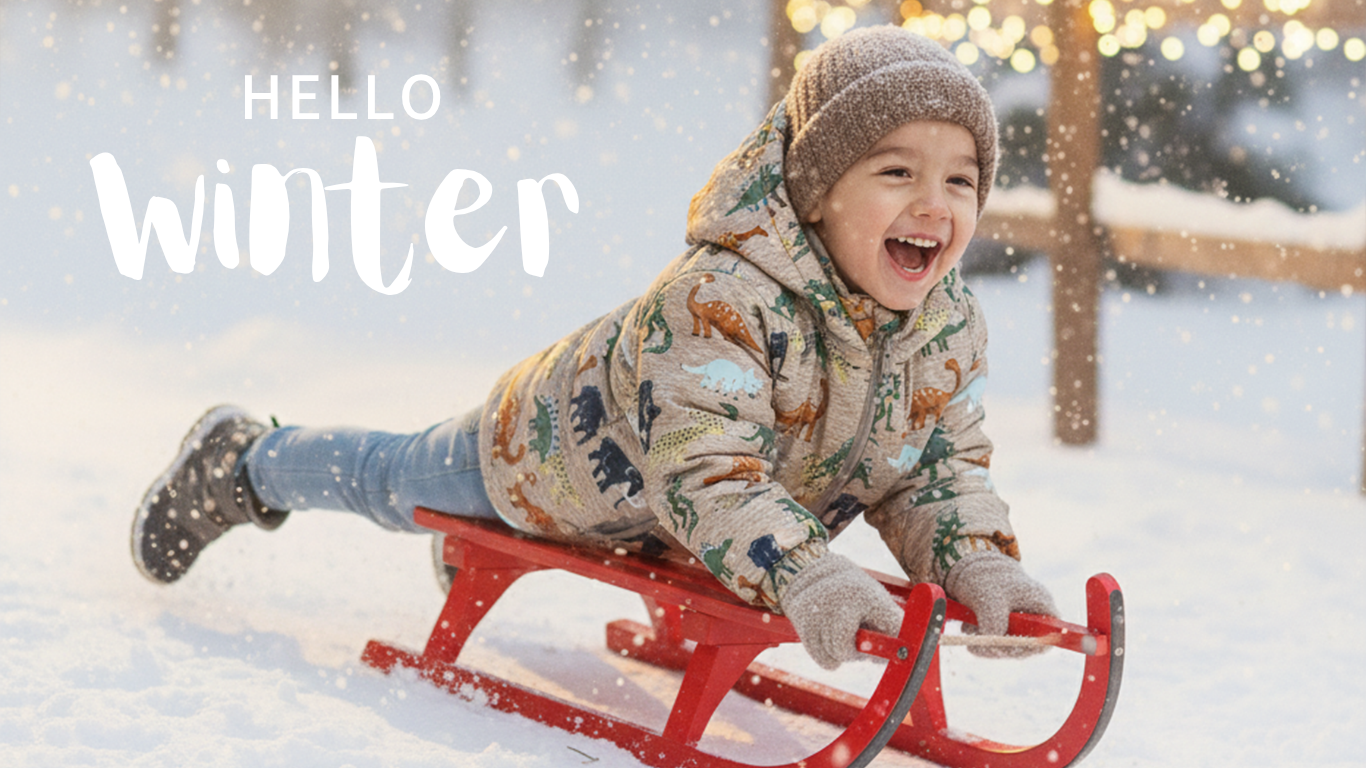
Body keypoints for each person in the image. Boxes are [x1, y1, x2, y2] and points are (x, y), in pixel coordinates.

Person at [131, 26, 1057, 670]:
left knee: (416, 485)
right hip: (541, 454)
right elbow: (709, 478)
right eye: (897, 172)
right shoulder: (723, 298)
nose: (936, 204)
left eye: (961, 179)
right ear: (815, 192)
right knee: (394, 478)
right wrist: (805, 571)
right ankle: (243, 460)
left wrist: (972, 558)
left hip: (664, 518)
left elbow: (934, 469)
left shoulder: (942, 330)